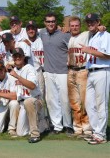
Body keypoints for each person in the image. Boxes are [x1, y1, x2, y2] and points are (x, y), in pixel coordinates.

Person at [39, 12, 73, 135]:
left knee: (65, 100)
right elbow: (25, 31)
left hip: (63, 71)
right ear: (45, 23)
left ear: (56, 22)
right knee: (52, 100)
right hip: (48, 71)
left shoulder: (64, 34)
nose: (50, 23)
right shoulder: (42, 33)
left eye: (53, 21)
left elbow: (74, 46)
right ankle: (57, 126)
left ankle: (68, 125)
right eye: (48, 21)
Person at [80, 13, 110, 145]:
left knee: (101, 104)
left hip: (102, 72)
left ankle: (101, 135)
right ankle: (97, 132)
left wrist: (89, 51)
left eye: (93, 21)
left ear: (98, 22)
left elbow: (108, 55)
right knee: (89, 104)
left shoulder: (106, 35)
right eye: (88, 21)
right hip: (91, 72)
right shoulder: (92, 36)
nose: (90, 23)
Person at [8, 47, 43, 143]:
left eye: (19, 56)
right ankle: (40, 123)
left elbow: (32, 86)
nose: (17, 58)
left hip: (35, 100)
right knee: (21, 133)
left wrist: (17, 76)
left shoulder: (29, 68)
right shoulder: (13, 72)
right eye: (15, 56)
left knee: (28, 101)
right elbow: (14, 94)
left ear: (23, 57)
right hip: (23, 103)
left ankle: (35, 134)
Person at [67, 16, 92, 138]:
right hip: (71, 70)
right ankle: (77, 128)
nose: (74, 27)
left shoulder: (86, 35)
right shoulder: (69, 38)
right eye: (72, 25)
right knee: (74, 102)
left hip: (82, 71)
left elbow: (96, 29)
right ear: (69, 27)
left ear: (80, 26)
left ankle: (87, 129)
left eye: (76, 25)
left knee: (84, 101)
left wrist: (102, 27)